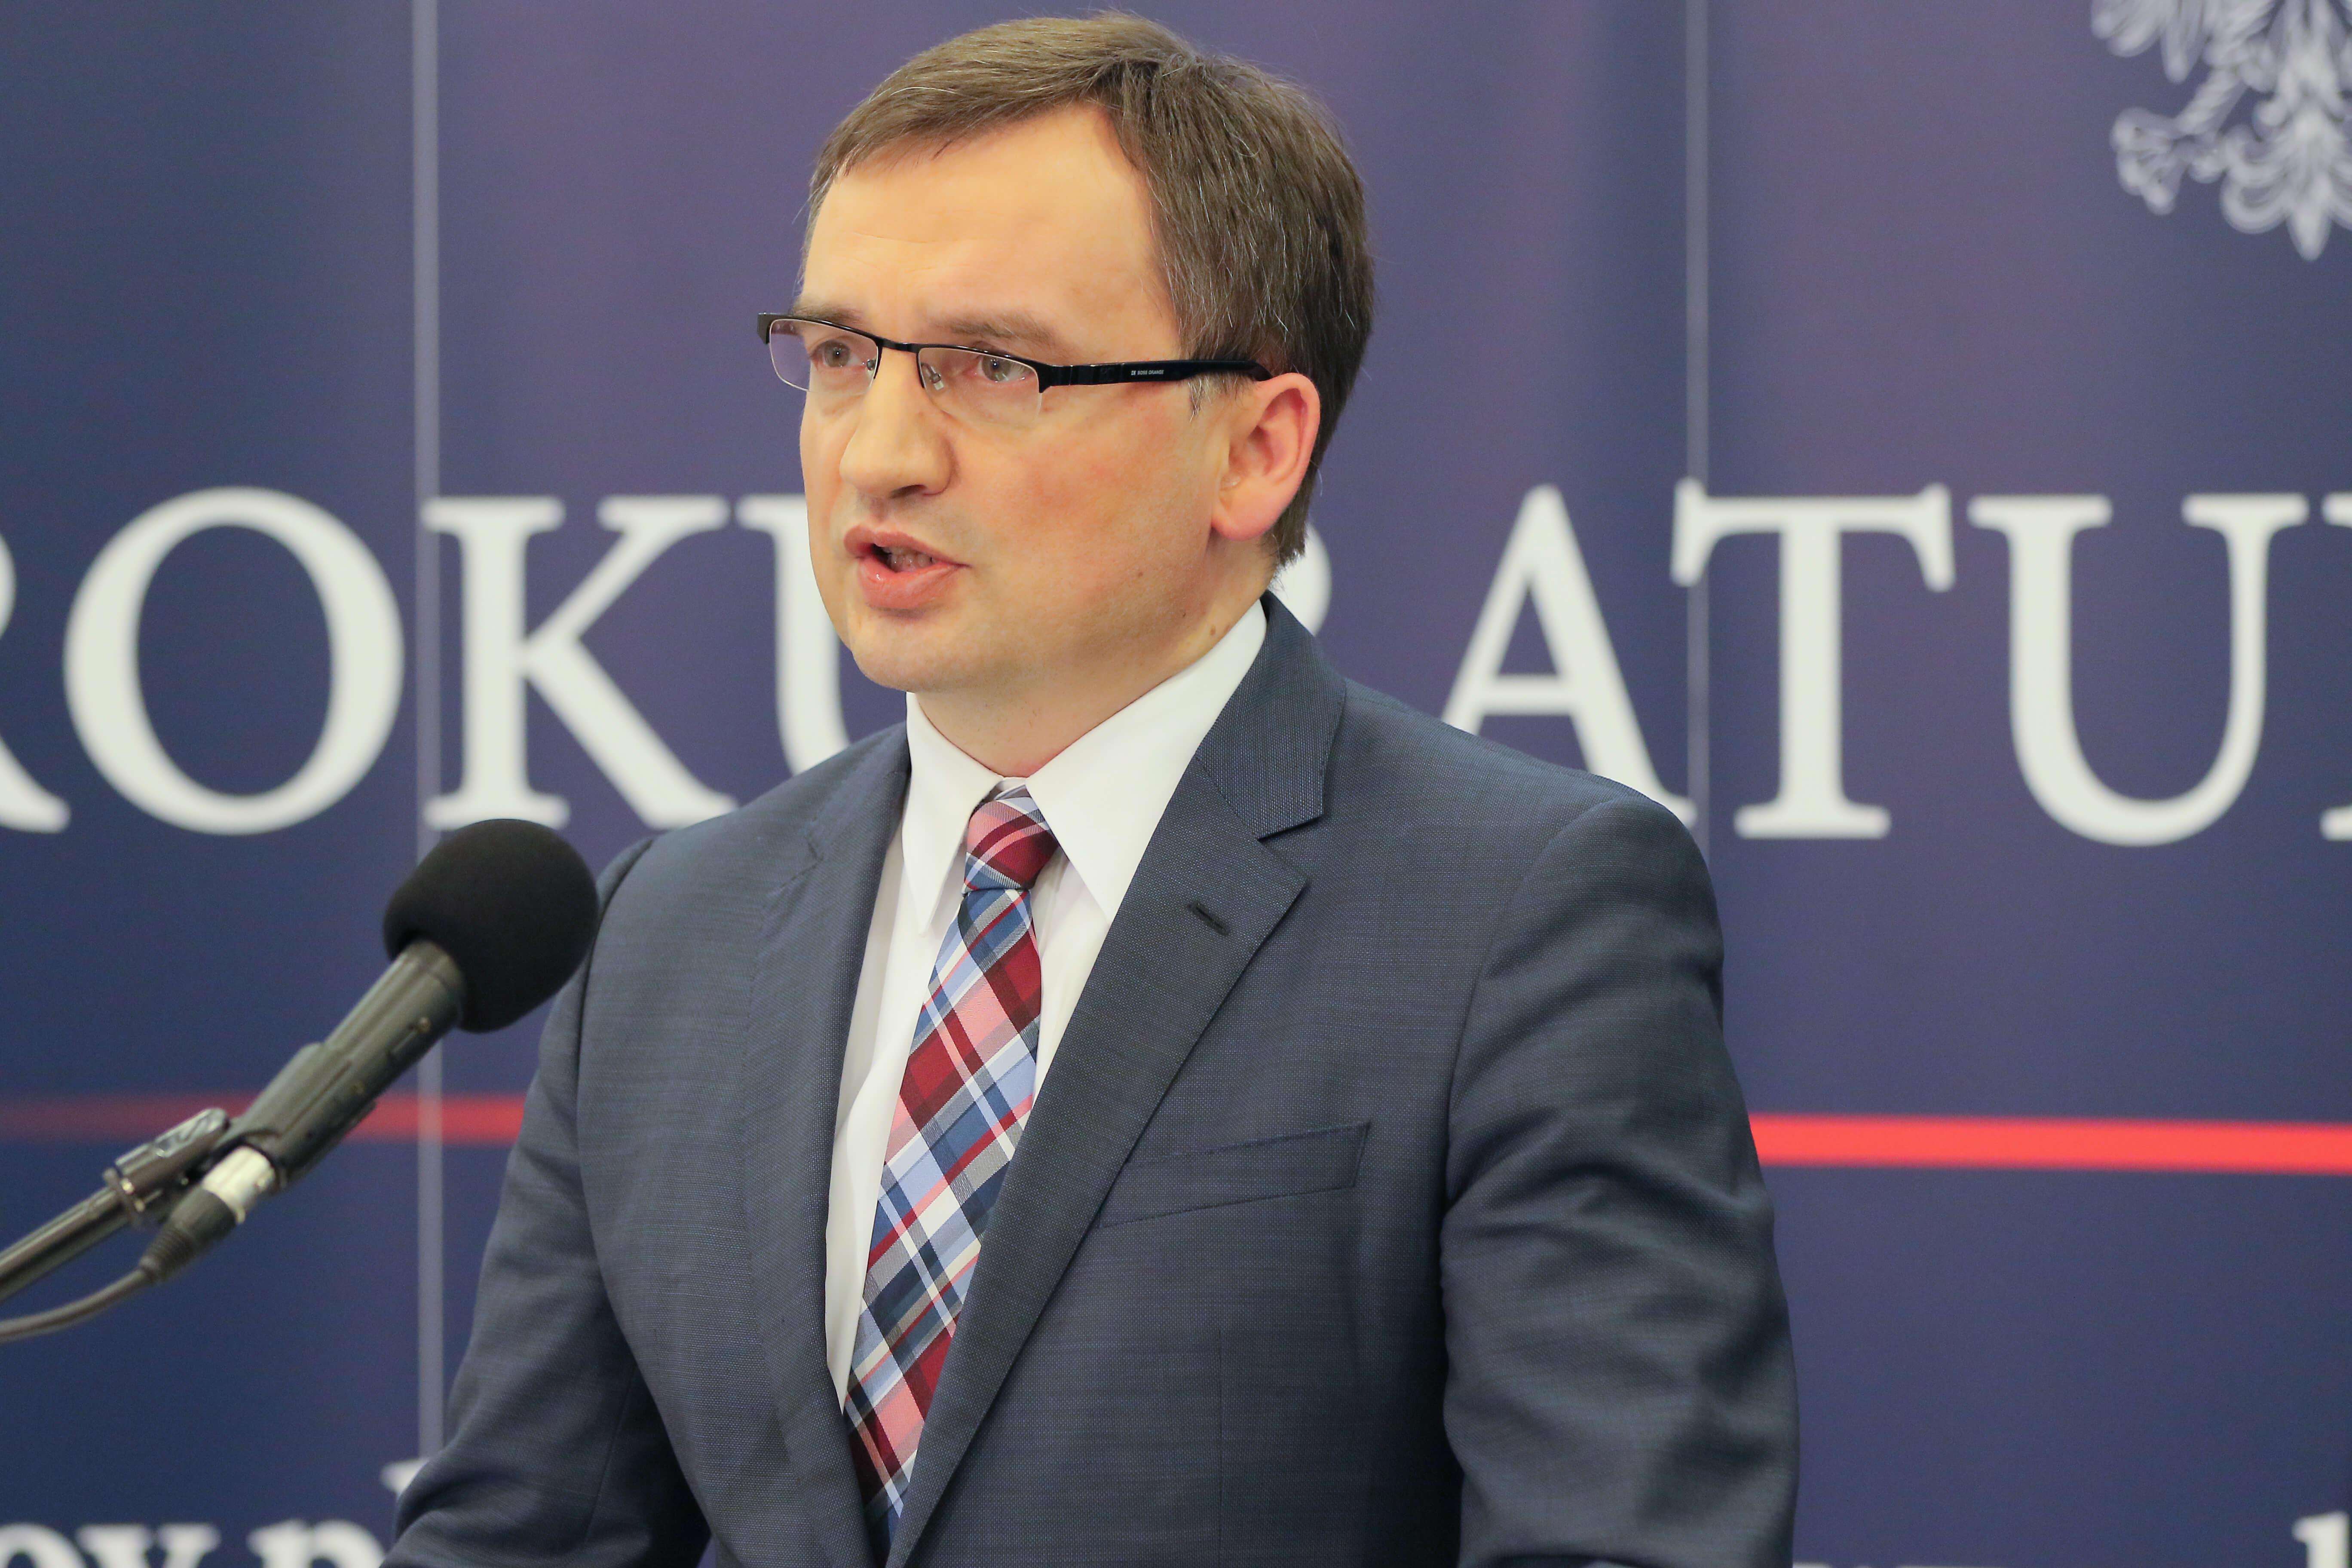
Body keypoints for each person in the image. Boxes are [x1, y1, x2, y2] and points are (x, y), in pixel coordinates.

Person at [388, 15, 1796, 1568]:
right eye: (842, 356)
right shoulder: (672, 931)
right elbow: (525, 1536)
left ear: (1255, 450)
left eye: (992, 367)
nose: (880, 454)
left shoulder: (1519, 918)